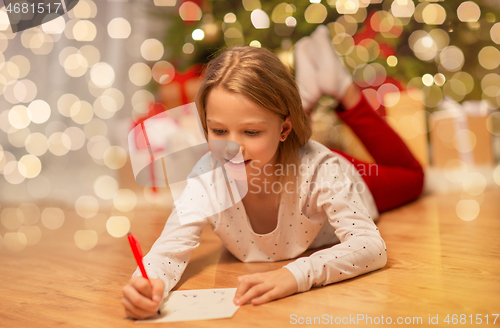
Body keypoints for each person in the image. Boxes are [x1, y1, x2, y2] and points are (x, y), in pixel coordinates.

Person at [121, 25, 424, 319]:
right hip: (278, 152)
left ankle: (340, 86)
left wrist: (295, 275)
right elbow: (168, 251)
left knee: (413, 177)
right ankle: (299, 98)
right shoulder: (208, 177)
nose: (232, 149)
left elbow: (370, 246)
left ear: (285, 128)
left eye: (250, 131)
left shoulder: (323, 171)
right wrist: (147, 283)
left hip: (337, 172)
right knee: (263, 134)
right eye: (218, 130)